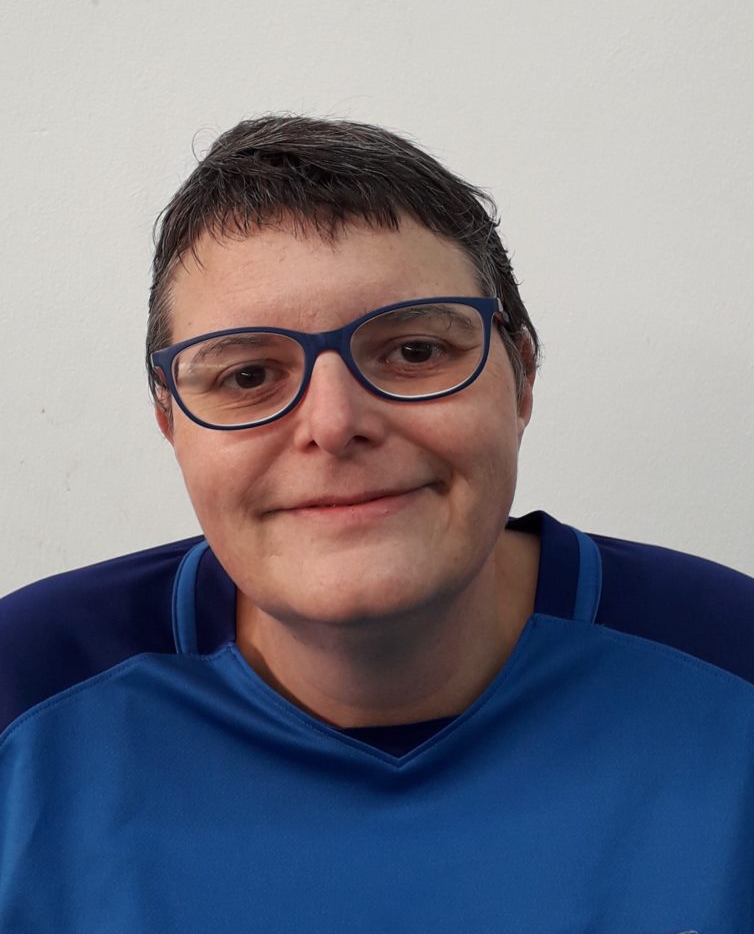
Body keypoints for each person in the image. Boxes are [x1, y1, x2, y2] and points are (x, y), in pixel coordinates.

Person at [1, 115, 752, 933]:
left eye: (416, 352)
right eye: (247, 376)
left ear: (523, 377)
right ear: (169, 421)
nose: (333, 424)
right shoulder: (25, 694)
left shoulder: (730, 663)